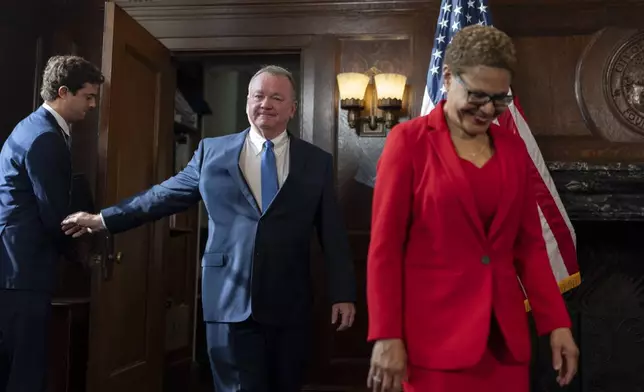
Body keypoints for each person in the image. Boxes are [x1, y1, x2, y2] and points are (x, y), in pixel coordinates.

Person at [61, 65, 357, 392]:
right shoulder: (212, 153)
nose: (266, 104)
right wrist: (103, 219)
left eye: (276, 97)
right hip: (229, 303)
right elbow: (161, 196)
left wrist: (343, 294)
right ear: (247, 101)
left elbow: (332, 235)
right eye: (258, 96)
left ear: (292, 108)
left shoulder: (315, 161)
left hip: (291, 304)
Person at [365, 25, 579, 392]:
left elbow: (529, 246)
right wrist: (386, 335)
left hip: (505, 347)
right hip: (432, 346)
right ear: (448, 78)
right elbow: (385, 250)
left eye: (499, 100)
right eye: (478, 96)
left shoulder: (512, 149)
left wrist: (556, 323)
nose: (487, 111)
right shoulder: (409, 143)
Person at [0, 55, 104, 392]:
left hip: (14, 267)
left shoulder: (31, 126)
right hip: (24, 270)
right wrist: (81, 254)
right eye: (88, 96)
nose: (92, 105)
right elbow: (53, 213)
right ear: (63, 92)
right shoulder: (46, 136)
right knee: (24, 371)